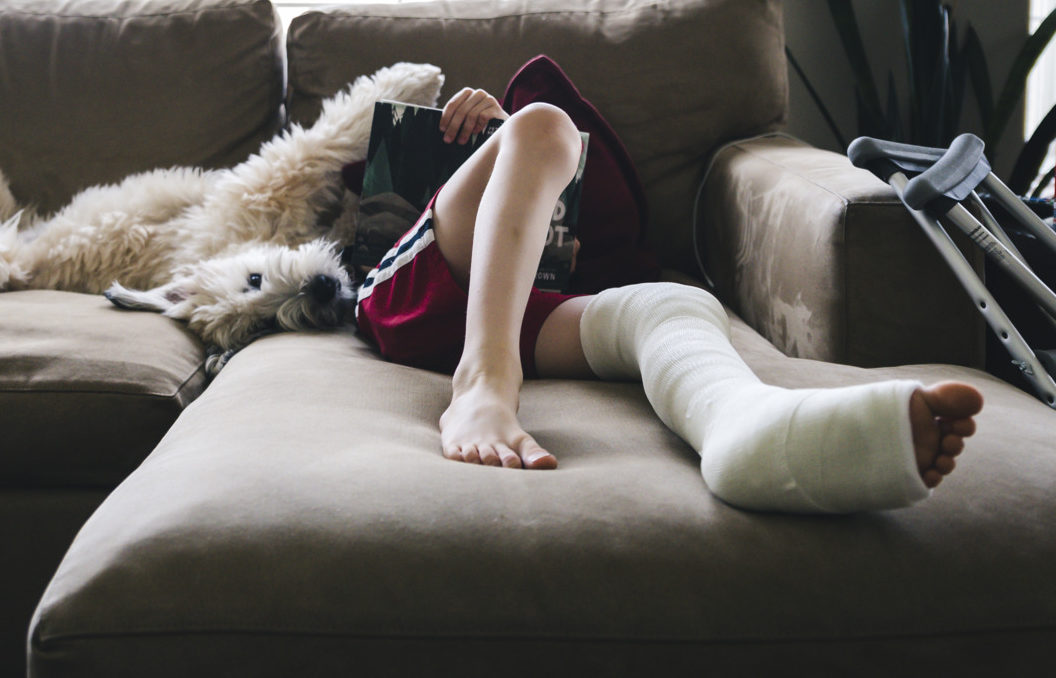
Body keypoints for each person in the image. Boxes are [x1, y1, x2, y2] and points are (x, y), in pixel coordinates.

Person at [356, 88, 984, 513]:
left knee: (670, 306)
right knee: (544, 124)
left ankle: (747, 429)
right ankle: (483, 381)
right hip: (411, 287)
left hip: (525, 307)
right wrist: (496, 128)